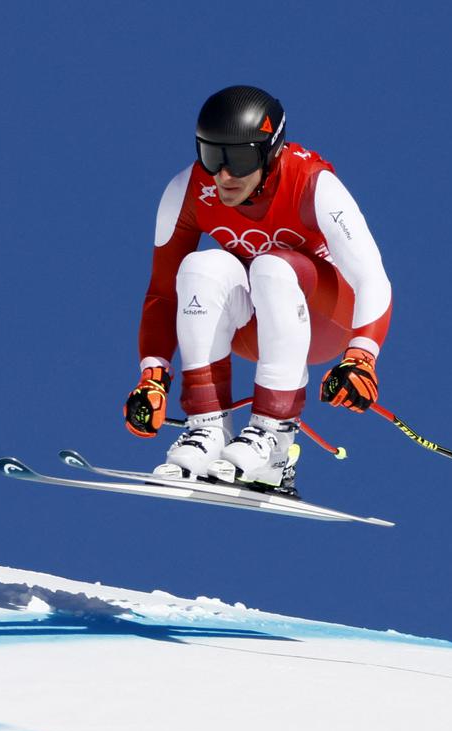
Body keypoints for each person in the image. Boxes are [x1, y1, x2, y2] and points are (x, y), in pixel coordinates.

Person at [123, 85, 392, 496]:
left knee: (271, 266)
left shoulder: (312, 184)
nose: (224, 174)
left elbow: (372, 277)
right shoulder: (190, 190)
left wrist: (362, 355)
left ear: (270, 152)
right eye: (212, 155)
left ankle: (275, 442)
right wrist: (153, 377)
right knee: (201, 266)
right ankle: (207, 432)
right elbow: (162, 293)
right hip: (256, 325)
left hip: (327, 317)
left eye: (241, 158)